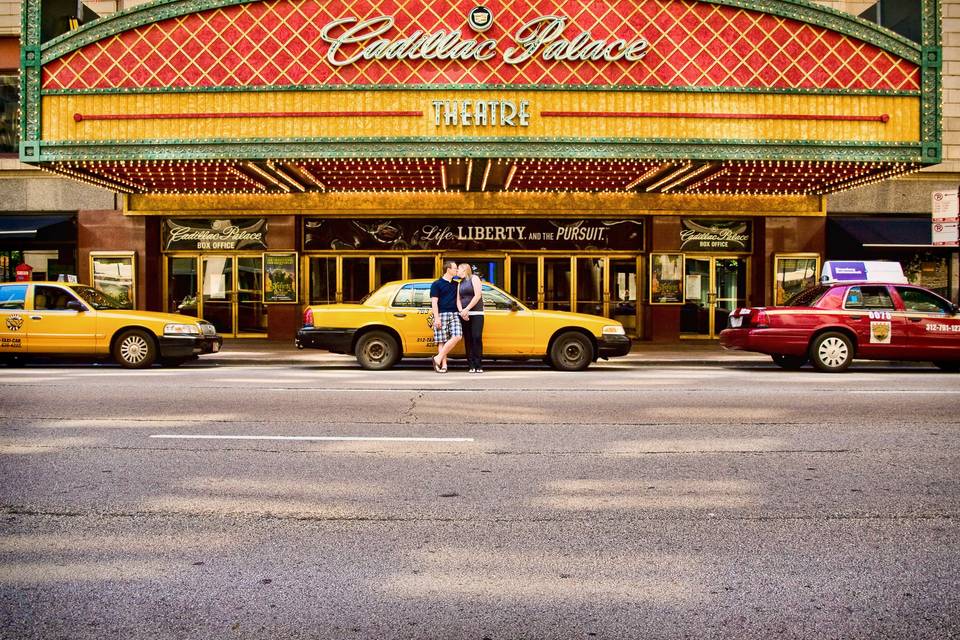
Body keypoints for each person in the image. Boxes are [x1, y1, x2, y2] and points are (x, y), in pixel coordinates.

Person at [429, 260, 462, 373]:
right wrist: (436, 318)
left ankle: (437, 358)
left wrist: (462, 311)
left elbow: (458, 300)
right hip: (441, 314)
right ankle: (444, 365)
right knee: (441, 341)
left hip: (454, 314)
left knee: (457, 336)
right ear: (448, 269)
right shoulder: (436, 284)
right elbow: (434, 302)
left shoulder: (456, 284)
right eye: (455, 268)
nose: (457, 270)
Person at [457, 263, 485, 373]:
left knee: (476, 337)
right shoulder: (460, 283)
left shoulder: (474, 278)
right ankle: (471, 364)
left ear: (464, 269)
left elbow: (477, 295)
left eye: (458, 269)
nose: (457, 271)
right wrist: (461, 312)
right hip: (464, 314)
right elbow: (458, 299)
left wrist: (467, 309)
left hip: (476, 313)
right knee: (468, 339)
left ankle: (479, 364)